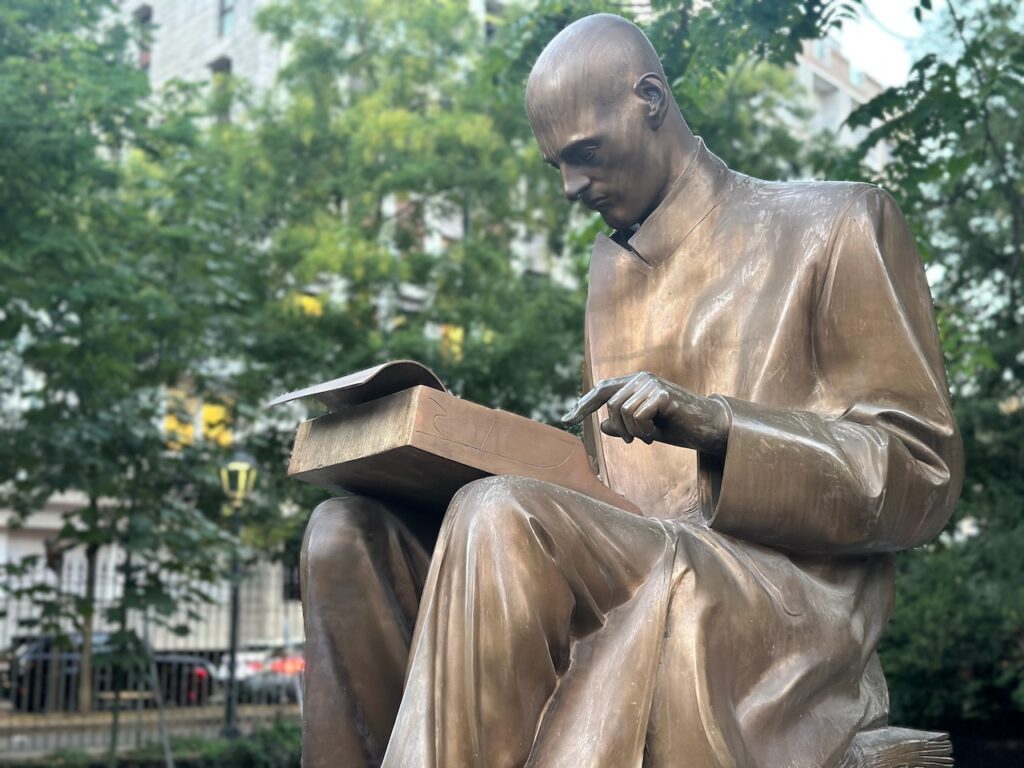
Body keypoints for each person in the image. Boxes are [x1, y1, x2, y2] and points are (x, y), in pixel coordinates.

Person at [300, 14, 962, 768]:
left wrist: (720, 427)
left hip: (773, 593)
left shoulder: (838, 225)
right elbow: (612, 490)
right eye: (556, 164)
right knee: (345, 536)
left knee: (500, 513)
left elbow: (920, 476)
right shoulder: (609, 273)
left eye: (585, 154)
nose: (571, 187)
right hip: (630, 557)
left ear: (649, 100)